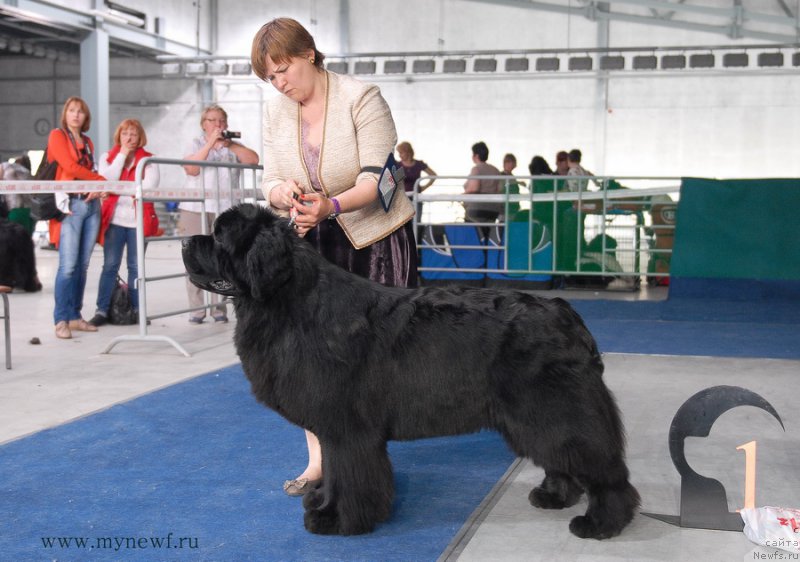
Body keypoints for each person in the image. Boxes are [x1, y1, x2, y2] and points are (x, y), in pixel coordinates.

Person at [251, 17, 418, 496]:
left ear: (309, 53)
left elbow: (378, 181)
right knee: (310, 358)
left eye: (283, 69)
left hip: (375, 240)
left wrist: (331, 205)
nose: (280, 83)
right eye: (270, 77)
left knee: (375, 359)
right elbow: (270, 179)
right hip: (312, 246)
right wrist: (283, 192)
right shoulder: (276, 109)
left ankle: (366, 455)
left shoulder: (362, 98)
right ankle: (319, 462)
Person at [178, 104, 259, 324]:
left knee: (224, 259)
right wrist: (211, 143)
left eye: (221, 121)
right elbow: (192, 169)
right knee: (193, 257)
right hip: (195, 209)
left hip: (226, 211)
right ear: (203, 124)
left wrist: (229, 144)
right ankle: (196, 309)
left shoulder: (232, 147)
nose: (218, 124)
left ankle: (218, 307)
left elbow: (253, 160)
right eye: (212, 120)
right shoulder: (195, 143)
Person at [88, 119, 160, 327]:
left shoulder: (149, 160)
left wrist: (115, 188)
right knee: (110, 266)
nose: (129, 138)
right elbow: (107, 178)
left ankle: (138, 310)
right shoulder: (107, 158)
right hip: (115, 221)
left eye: (133, 134)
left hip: (139, 221)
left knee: (136, 268)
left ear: (140, 138)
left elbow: (148, 188)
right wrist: (121, 156)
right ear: (118, 136)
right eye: (125, 134)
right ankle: (101, 310)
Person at [49, 96, 107, 339]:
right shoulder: (57, 136)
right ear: (66, 114)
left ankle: (74, 315)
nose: (75, 115)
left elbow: (89, 169)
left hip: (91, 204)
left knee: (82, 266)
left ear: (85, 117)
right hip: (71, 206)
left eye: (80, 112)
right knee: (68, 265)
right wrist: (102, 182)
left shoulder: (89, 141)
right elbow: (70, 167)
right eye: (71, 110)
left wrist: (96, 186)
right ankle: (60, 319)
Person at [463, 141, 502, 226]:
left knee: (472, 233)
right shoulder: (495, 170)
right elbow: (499, 190)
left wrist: (462, 196)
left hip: (477, 209)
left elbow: (474, 188)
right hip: (493, 210)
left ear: (476, 155)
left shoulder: (476, 169)